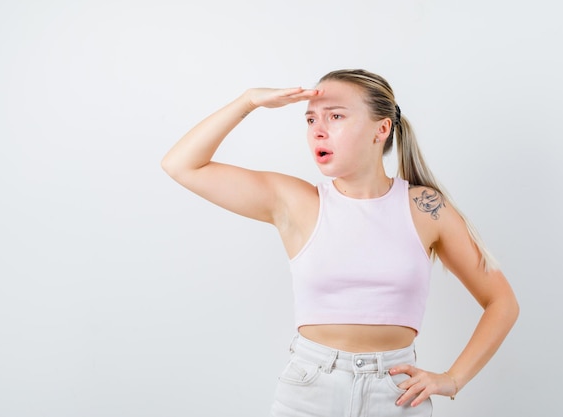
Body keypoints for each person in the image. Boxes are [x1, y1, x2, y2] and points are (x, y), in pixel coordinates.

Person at [161, 69, 519, 416]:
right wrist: (248, 101)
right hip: (309, 389)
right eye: (310, 119)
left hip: (396, 393)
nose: (318, 130)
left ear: (381, 129)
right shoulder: (296, 202)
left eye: (335, 116)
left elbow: (501, 301)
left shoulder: (426, 208)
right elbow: (182, 165)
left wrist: (453, 380)